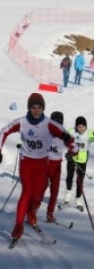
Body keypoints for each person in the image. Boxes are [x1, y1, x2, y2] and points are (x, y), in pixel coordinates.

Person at [0, 93, 75, 246]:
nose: (36, 110)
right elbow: (4, 131)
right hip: (26, 162)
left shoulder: (49, 124)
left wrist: (72, 147)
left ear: (43, 109)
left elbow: (67, 137)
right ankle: (18, 227)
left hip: (42, 163)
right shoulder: (22, 122)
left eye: (39, 108)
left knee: (37, 195)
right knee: (27, 192)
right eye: (33, 107)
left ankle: (31, 213)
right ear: (29, 108)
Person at [63, 116, 94, 211]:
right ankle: (68, 193)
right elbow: (63, 136)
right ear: (76, 127)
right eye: (79, 126)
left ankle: (78, 198)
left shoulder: (90, 133)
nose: (81, 128)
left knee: (80, 180)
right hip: (71, 157)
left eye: (83, 126)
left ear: (86, 126)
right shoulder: (72, 131)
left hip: (82, 160)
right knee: (69, 176)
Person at [44, 111, 67, 223]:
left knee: (55, 190)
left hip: (56, 165)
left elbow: (71, 145)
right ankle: (31, 212)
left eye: (59, 122)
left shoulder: (63, 134)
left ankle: (50, 213)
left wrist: (71, 153)